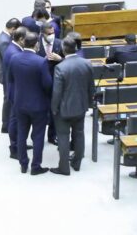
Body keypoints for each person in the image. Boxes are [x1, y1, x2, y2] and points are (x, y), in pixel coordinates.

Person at [50, 33, 95, 175]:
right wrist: (88, 104)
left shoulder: (60, 67)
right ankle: (77, 163)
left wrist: (53, 109)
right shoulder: (87, 63)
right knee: (79, 135)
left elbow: (57, 92)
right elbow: (91, 87)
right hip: (81, 107)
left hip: (64, 110)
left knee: (63, 137)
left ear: (63, 49)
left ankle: (63, 168)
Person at [9, 31, 52, 175]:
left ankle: (23, 164)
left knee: (22, 134)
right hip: (38, 105)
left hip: (20, 104)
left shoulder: (14, 58)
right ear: (36, 44)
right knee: (38, 136)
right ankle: (36, 166)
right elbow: (48, 84)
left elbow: (11, 79)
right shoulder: (41, 62)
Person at [4, 26, 27, 159]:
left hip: (14, 89)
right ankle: (14, 148)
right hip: (16, 91)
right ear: (21, 39)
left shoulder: (14, 48)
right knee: (15, 120)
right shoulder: (14, 53)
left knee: (16, 119)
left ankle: (19, 143)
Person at [0, 18, 21, 133]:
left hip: (7, 73)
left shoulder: (5, 37)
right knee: (8, 98)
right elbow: (8, 60)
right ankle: (5, 124)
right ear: (13, 29)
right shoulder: (4, 41)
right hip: (7, 75)